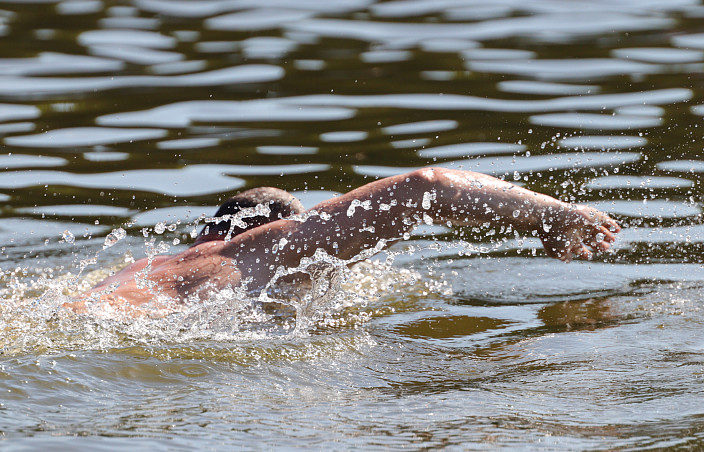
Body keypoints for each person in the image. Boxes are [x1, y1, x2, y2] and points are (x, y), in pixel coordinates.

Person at [65, 167, 620, 313]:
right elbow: (426, 187)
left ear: (205, 230)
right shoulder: (260, 248)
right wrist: (556, 216)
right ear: (265, 229)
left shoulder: (148, 266)